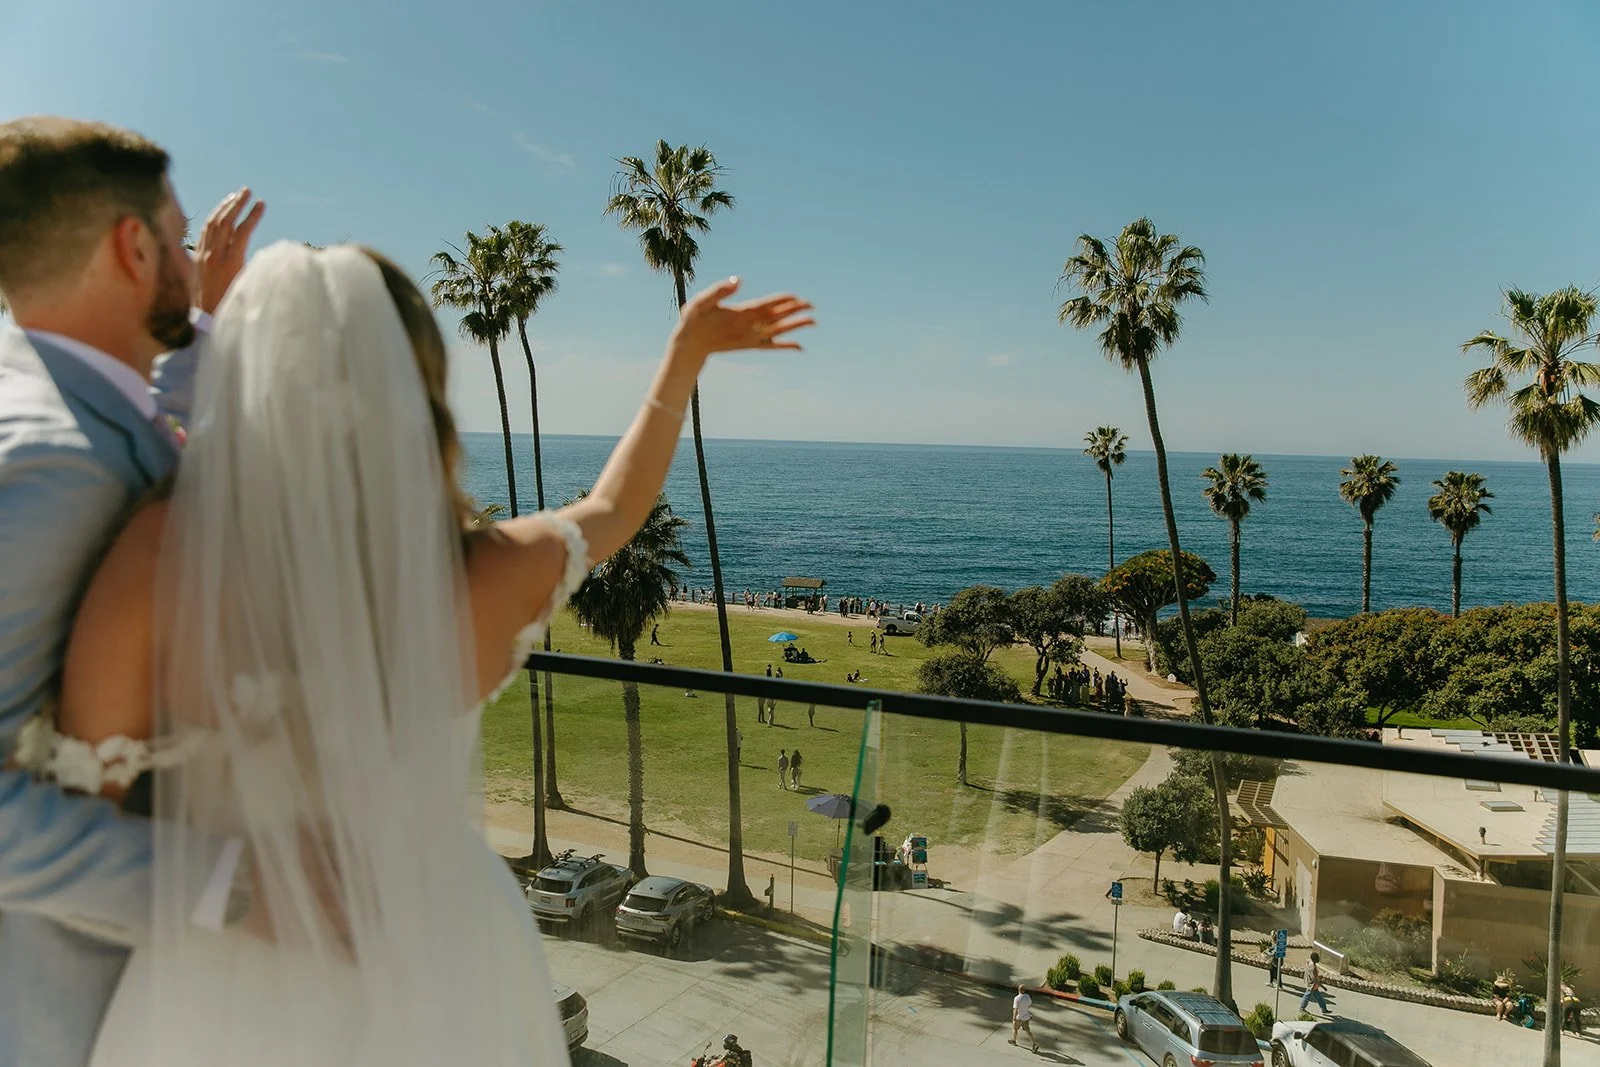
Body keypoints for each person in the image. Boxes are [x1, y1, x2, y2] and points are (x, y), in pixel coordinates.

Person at [18, 233, 812, 1062]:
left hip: (225, 967)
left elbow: (77, 822)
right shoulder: (471, 573)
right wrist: (681, 358)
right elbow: (614, 507)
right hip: (444, 948)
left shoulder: (161, 553)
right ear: (417, 391)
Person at [0, 117, 266, 1067]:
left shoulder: (60, 401)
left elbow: (153, 416)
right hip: (65, 1010)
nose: (195, 261)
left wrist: (209, 320)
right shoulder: (48, 462)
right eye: (183, 238)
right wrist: (234, 886)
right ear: (133, 245)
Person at [1009, 984, 1038, 1051]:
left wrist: (1014, 1018)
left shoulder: (1016, 998)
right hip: (1026, 1018)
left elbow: (1015, 1009)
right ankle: (1034, 1044)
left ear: (1018, 990)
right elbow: (1029, 1004)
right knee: (1028, 1031)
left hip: (1019, 1018)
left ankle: (1013, 1040)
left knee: (1015, 1028)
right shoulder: (1027, 996)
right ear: (1024, 990)